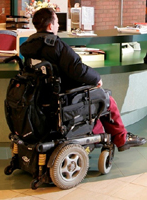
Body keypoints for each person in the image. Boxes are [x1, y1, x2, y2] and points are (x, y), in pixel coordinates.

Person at [20, 8, 146, 152]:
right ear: (50, 26)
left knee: (96, 100)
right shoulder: (56, 46)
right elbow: (77, 69)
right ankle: (121, 138)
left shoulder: (27, 46)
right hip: (65, 97)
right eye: (56, 22)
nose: (58, 26)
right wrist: (97, 78)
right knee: (106, 99)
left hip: (40, 97)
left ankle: (105, 134)